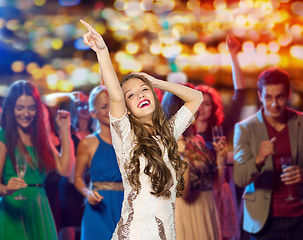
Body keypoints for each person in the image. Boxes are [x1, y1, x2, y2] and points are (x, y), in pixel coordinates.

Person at [80, 19, 203, 240]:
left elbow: (196, 98)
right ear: (125, 108)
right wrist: (102, 51)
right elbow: (115, 95)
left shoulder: (168, 133)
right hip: (135, 233)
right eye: (131, 95)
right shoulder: (125, 136)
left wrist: (158, 83)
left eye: (143, 90)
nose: (140, 96)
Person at [233, 67, 303, 240]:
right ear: (260, 96)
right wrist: (258, 159)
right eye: (268, 97)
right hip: (264, 221)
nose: (274, 104)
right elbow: (240, 177)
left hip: (300, 218)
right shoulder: (245, 128)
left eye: (279, 97)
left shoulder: (301, 122)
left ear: (288, 94)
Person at [0, 80, 73, 240]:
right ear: (11, 109)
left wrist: (64, 129)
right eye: (20, 108)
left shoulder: (40, 137)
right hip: (13, 210)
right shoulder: (3, 136)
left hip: (40, 208)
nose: (26, 114)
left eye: (31, 108)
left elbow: (65, 170)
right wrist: (6, 189)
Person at [195, 34, 245, 240]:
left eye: (207, 103)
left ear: (213, 107)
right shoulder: (182, 132)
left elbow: (239, 96)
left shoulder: (219, 130)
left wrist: (233, 57)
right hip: (195, 196)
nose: (202, 108)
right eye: (198, 102)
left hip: (218, 193)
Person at [162, 85, 227, 240]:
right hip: (186, 211)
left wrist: (221, 157)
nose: (198, 108)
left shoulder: (198, 140)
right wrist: (182, 156)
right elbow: (183, 192)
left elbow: (216, 183)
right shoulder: (170, 142)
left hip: (207, 206)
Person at [74, 85, 124, 240]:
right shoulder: (87, 143)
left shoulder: (129, 141)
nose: (110, 110)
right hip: (99, 208)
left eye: (113, 104)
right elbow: (77, 178)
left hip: (126, 206)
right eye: (104, 106)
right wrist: (87, 192)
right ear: (93, 113)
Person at [57, 92, 91, 240]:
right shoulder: (68, 133)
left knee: (87, 229)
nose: (85, 108)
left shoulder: (97, 134)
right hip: (70, 188)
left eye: (88, 105)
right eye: (80, 105)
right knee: (69, 227)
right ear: (74, 109)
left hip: (89, 186)